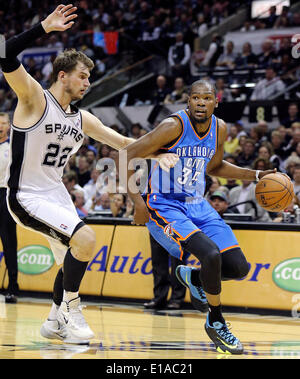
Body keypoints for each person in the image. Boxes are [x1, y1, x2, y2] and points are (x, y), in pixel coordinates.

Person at [0, 5, 177, 345]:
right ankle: (72, 309)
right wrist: (43, 28)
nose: (88, 83)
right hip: (25, 195)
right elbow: (5, 54)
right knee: (87, 240)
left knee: (74, 256)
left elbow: (125, 142)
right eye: (83, 76)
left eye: (89, 78)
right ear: (63, 75)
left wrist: (159, 152)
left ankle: (53, 321)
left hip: (56, 195)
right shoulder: (34, 98)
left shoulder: (84, 119)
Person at [121, 79, 275, 355]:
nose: (201, 103)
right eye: (195, 98)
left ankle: (193, 278)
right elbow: (127, 154)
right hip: (165, 204)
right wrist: (137, 202)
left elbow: (215, 167)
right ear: (188, 101)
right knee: (211, 256)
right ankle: (216, 322)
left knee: (239, 268)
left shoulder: (221, 128)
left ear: (216, 101)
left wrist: (256, 174)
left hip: (198, 204)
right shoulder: (173, 126)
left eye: (206, 98)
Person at [0, 112, 19, 303]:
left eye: (3, 123)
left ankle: (13, 287)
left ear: (9, 125)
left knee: (9, 244)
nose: (0, 126)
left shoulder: (12, 146)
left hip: (5, 195)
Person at [144, 234, 187, 310]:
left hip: (176, 225)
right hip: (156, 225)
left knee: (177, 262)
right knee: (158, 262)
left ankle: (176, 299)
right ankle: (159, 298)